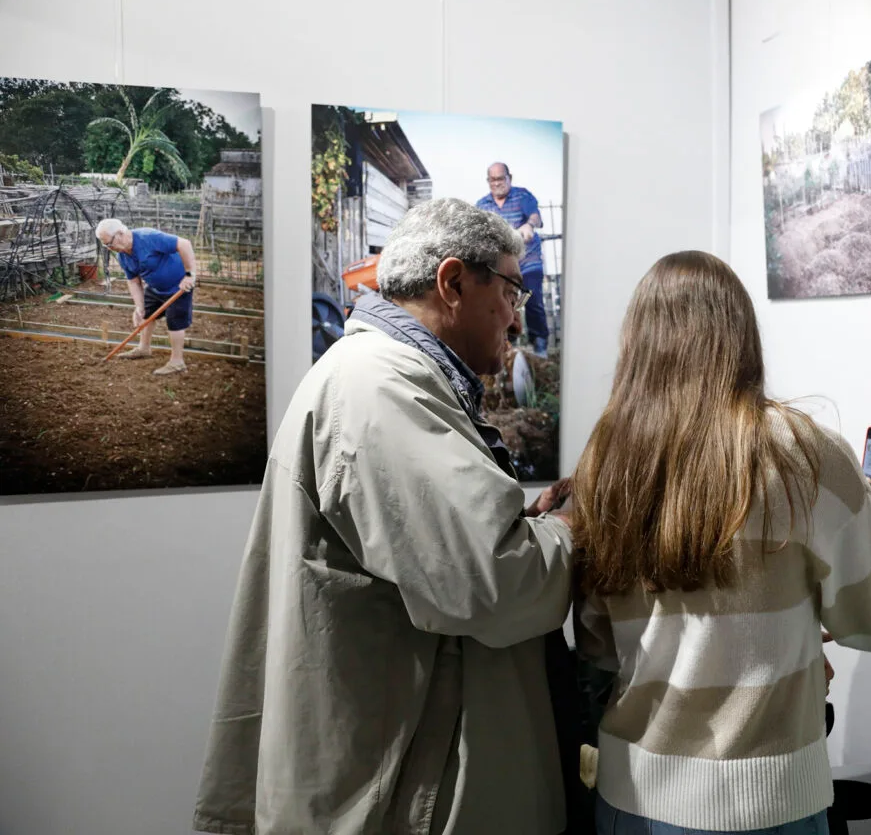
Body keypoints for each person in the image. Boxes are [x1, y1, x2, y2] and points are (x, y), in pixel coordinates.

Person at [193, 198, 583, 835]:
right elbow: (495, 583)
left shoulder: (382, 376)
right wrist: (569, 531)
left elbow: (443, 548)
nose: (518, 317)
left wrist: (527, 526)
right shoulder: (382, 388)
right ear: (453, 282)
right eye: (512, 291)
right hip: (405, 783)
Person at [571, 251, 871, 834]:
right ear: (742, 337)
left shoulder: (607, 461)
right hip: (767, 806)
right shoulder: (807, 456)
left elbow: (599, 647)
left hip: (631, 798)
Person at [95, 218, 196, 375]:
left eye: (109, 243)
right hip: (155, 288)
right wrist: (139, 306)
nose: (109, 248)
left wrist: (190, 274)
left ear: (120, 234)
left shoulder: (148, 237)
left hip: (178, 286)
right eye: (106, 245)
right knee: (145, 314)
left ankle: (177, 361)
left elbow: (184, 244)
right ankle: (144, 348)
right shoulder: (123, 256)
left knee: (175, 322)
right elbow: (133, 281)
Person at [476, 162, 549, 357]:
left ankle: (540, 346)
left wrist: (529, 225)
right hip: (503, 266)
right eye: (492, 179)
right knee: (503, 303)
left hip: (528, 261)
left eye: (500, 178)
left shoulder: (522, 196)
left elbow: (535, 216)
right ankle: (508, 346)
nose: (496, 183)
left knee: (533, 300)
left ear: (510, 178)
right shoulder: (482, 205)